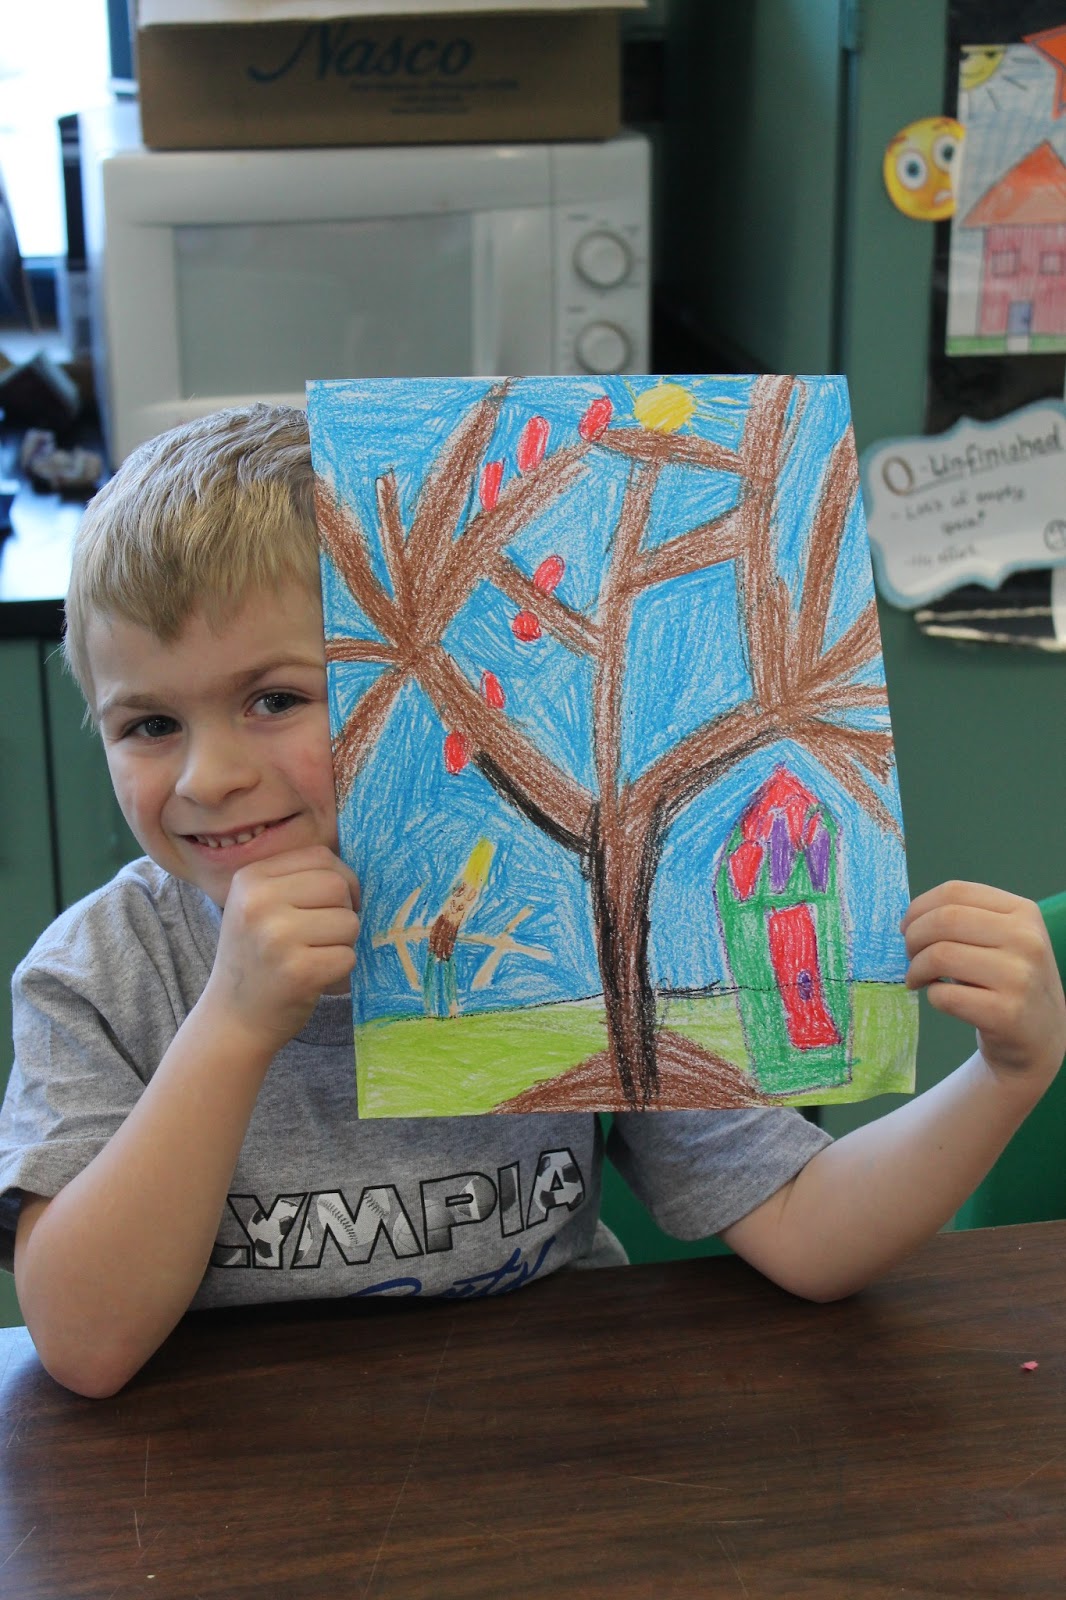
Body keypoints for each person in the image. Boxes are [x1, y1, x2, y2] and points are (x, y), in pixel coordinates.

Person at [1, 404, 1063, 1401]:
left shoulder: (568, 912)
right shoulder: (100, 972)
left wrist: (1003, 1075)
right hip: (223, 1494)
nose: (206, 778)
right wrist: (231, 1024)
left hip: (546, 1453)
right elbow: (86, 1342)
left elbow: (806, 1229)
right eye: (147, 725)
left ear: (408, 675)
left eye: (275, 699)